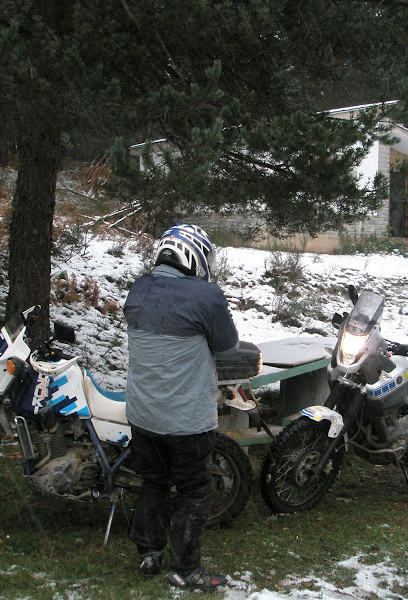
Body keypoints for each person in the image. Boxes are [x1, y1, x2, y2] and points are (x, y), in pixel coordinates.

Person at [122, 223, 239, 591]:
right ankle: (185, 570)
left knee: (154, 481)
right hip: (187, 419)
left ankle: (149, 554)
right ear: (195, 256)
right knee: (195, 491)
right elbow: (228, 345)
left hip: (143, 413)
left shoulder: (139, 288)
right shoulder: (207, 295)